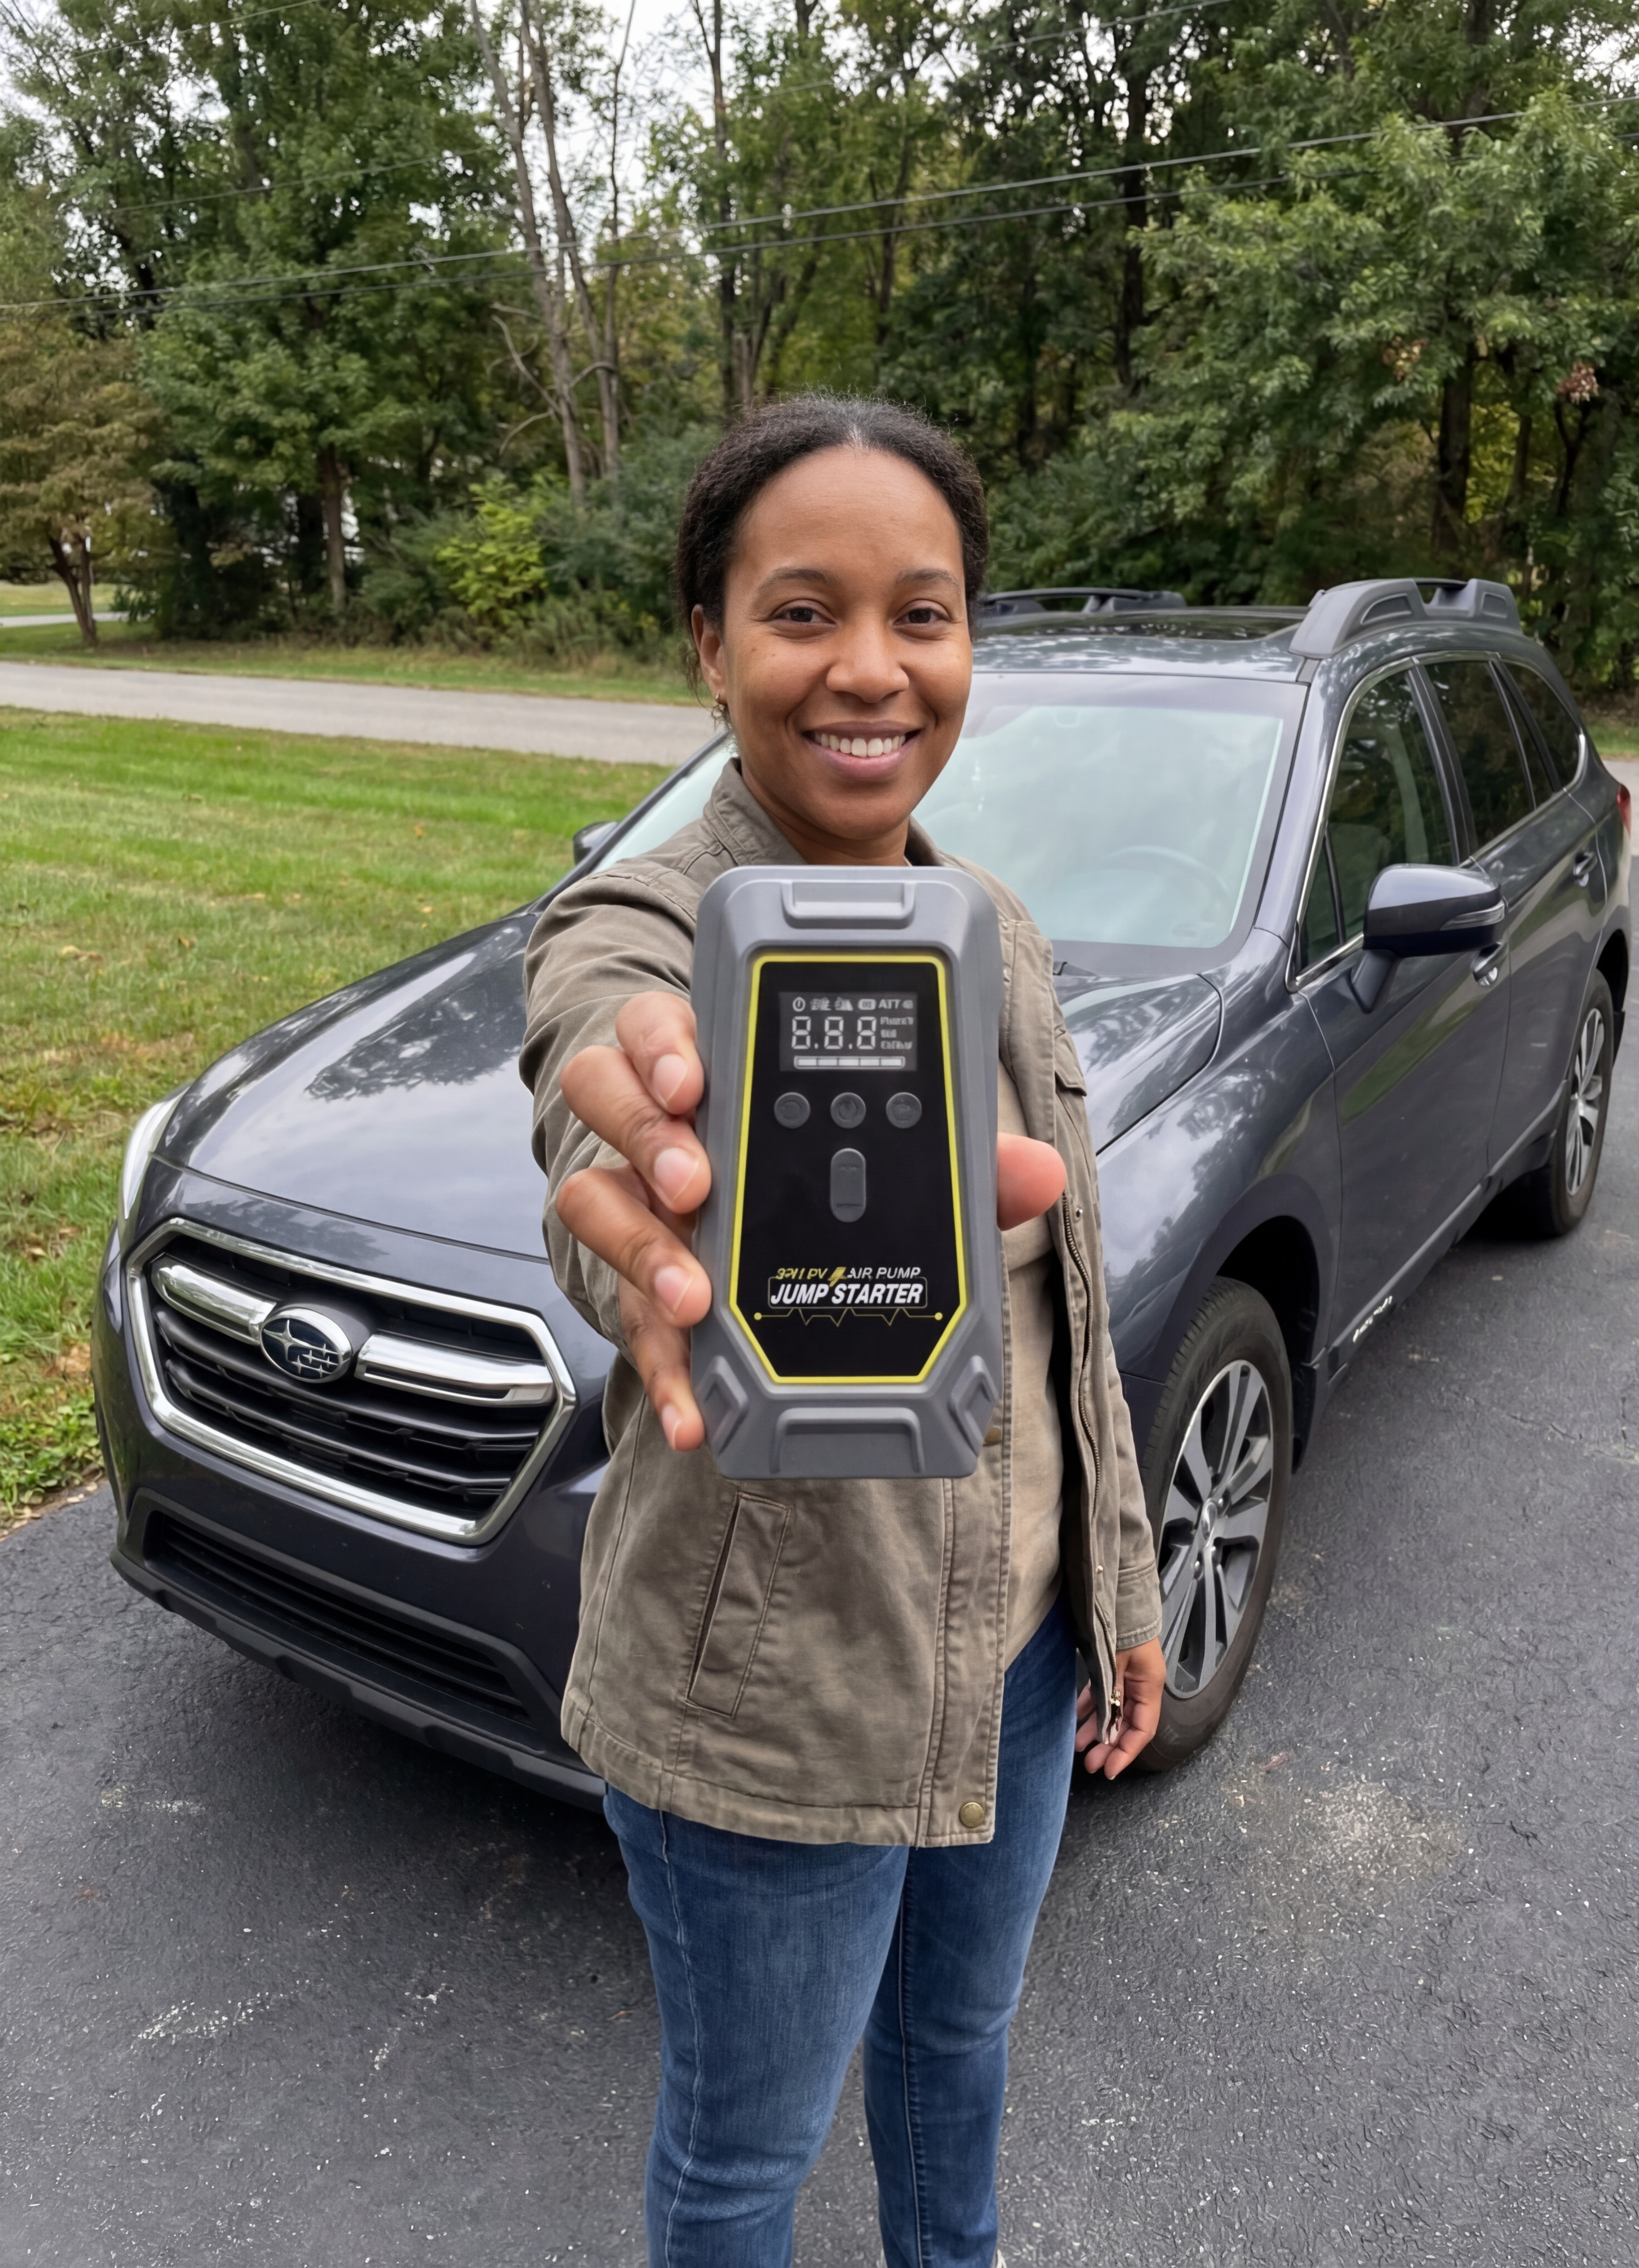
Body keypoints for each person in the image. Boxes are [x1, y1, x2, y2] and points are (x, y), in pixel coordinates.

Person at [520, 395, 1165, 2268]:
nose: (869, 668)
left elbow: (1062, 1317)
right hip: (771, 1715)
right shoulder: (646, 918)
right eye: (801, 613)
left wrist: (1115, 1590)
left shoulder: (991, 927)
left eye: (925, 611)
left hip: (1022, 1664)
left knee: (954, 2063)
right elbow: (602, 1067)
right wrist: (641, 1178)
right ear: (709, 645)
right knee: (747, 2153)